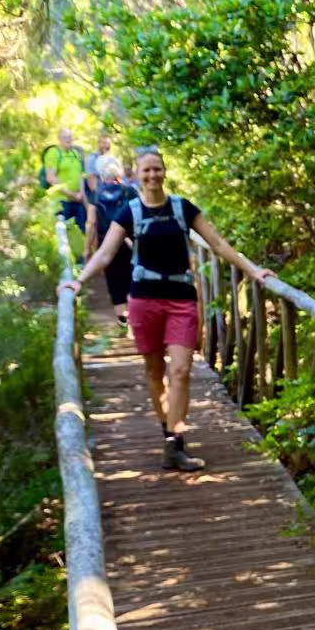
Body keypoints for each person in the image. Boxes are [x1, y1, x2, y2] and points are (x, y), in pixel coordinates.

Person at [59, 146, 272, 471]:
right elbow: (105, 254)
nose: (152, 175)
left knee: (181, 370)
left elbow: (217, 244)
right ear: (138, 175)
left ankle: (176, 442)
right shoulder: (129, 212)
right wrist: (79, 280)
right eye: (146, 170)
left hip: (181, 299)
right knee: (155, 371)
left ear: (164, 171)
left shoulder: (183, 208)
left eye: (157, 169)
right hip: (144, 301)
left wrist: (254, 271)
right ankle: (168, 435)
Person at [84, 154, 137, 331]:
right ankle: (136, 322)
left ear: (100, 174)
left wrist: (88, 250)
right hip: (131, 244)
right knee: (133, 282)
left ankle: (124, 323)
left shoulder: (95, 195)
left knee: (116, 285)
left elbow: (91, 223)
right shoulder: (130, 191)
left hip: (107, 247)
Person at [41, 128, 86, 228]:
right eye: (65, 137)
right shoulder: (54, 153)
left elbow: (80, 176)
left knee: (83, 232)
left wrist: (81, 194)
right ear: (59, 139)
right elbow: (50, 177)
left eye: (70, 137)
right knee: (63, 233)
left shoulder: (75, 153)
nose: (68, 139)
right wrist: (70, 193)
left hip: (77, 201)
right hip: (61, 201)